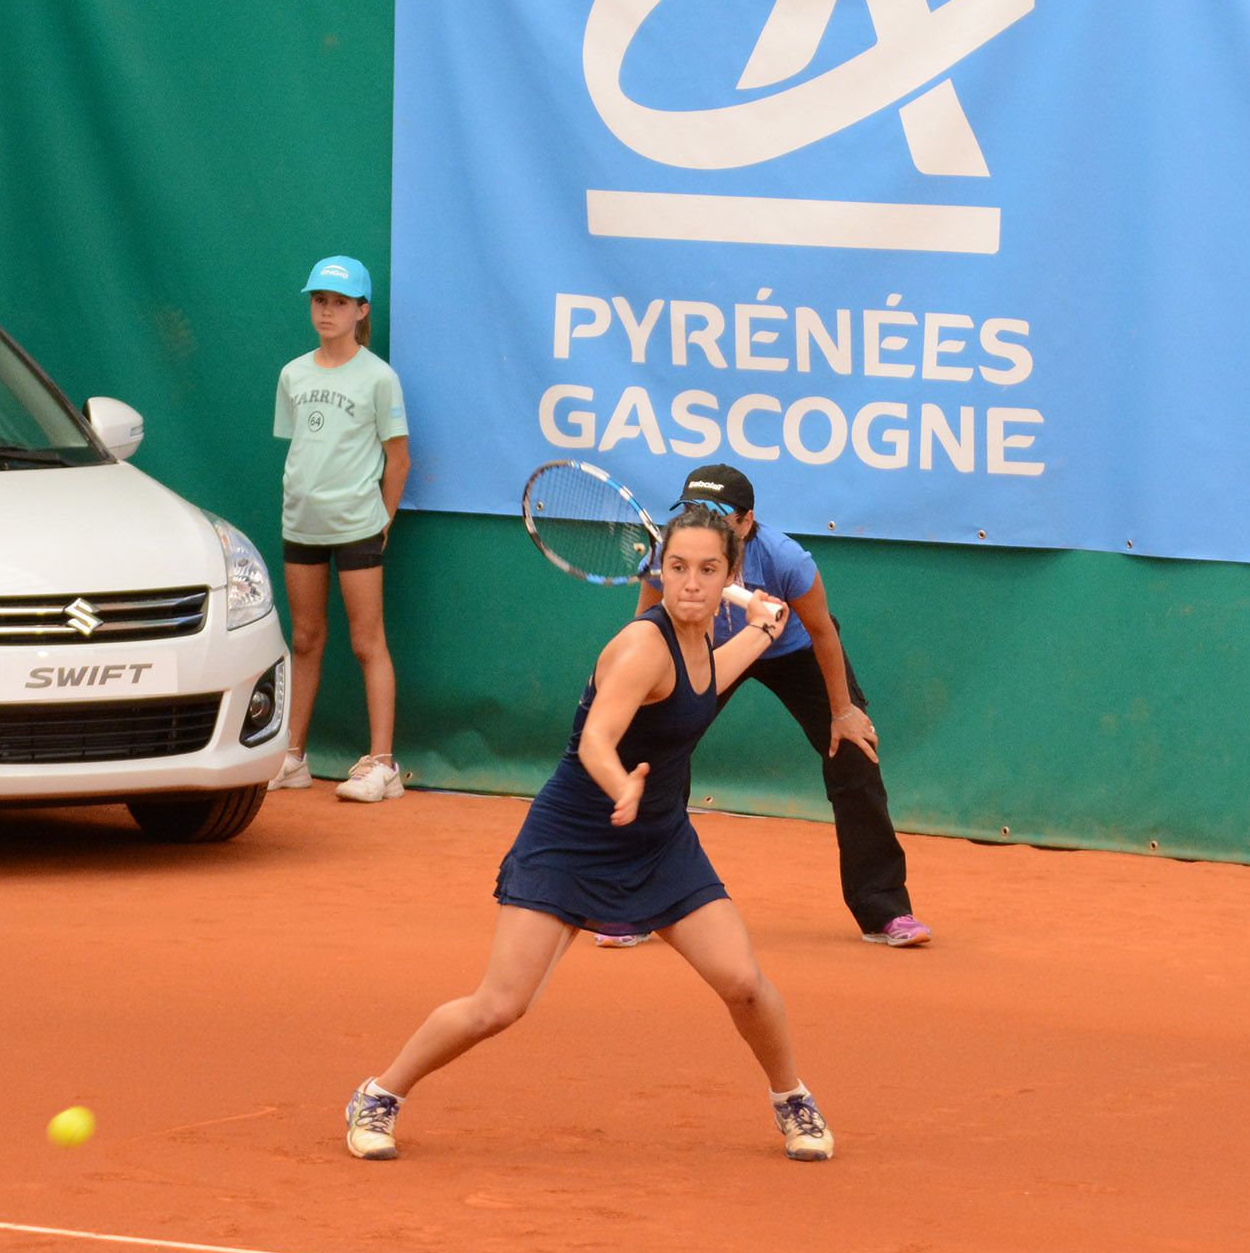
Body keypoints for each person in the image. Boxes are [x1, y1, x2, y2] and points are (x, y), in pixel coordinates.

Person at [342, 506, 835, 1163]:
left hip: (658, 841)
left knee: (744, 983)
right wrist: (620, 784)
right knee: (500, 1005)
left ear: (731, 576)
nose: (690, 583)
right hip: (572, 837)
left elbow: (711, 677)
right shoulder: (641, 647)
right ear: (659, 570)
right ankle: (379, 1094)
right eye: (678, 567)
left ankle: (791, 1097)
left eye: (707, 569)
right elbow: (599, 738)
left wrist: (763, 629)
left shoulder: (701, 644)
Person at [607, 462, 931, 949]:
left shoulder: (785, 559)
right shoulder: (668, 554)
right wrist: (638, 692)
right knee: (656, 757)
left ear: (746, 521)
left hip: (792, 651)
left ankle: (884, 908)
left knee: (854, 754)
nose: (700, 521)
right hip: (706, 651)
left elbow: (823, 632)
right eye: (691, 510)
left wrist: (842, 712)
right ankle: (639, 904)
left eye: (715, 513)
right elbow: (644, 625)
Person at [273, 255, 410, 803]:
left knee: (366, 641)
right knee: (304, 639)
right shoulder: (293, 374)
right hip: (301, 524)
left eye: (338, 302)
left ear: (361, 311)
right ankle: (292, 757)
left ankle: (382, 765)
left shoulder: (379, 377)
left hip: (358, 526)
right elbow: (304, 448)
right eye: (319, 301)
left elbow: (398, 460)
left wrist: (384, 522)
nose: (326, 311)